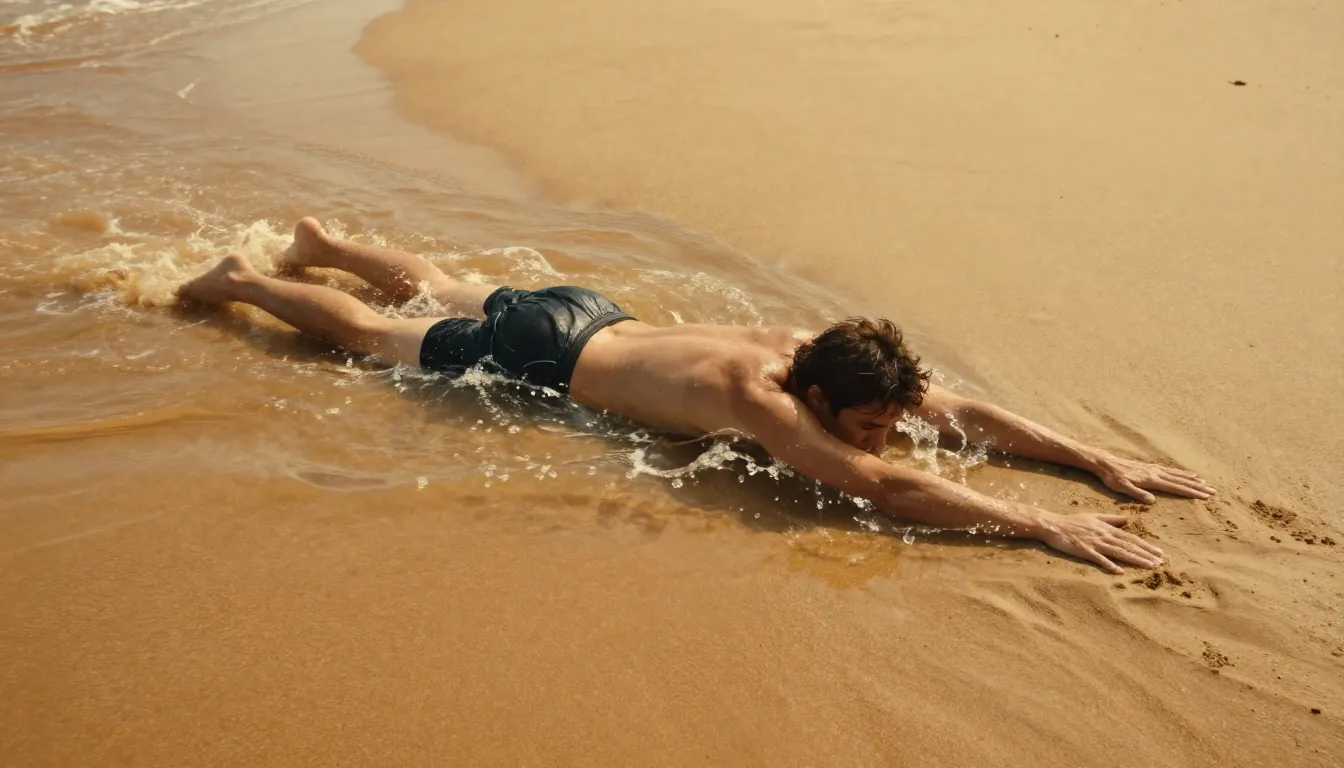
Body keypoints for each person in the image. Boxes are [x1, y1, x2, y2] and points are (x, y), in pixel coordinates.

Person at [179, 218, 1215, 573]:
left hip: (589, 313)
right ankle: (248, 281)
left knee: (445, 280)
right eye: (865, 423)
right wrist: (1043, 524)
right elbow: (880, 490)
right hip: (545, 357)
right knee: (375, 338)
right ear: (814, 395)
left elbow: (963, 415)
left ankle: (323, 241)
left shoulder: (836, 359)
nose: (880, 437)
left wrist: (1092, 459)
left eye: (886, 421)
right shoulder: (760, 395)